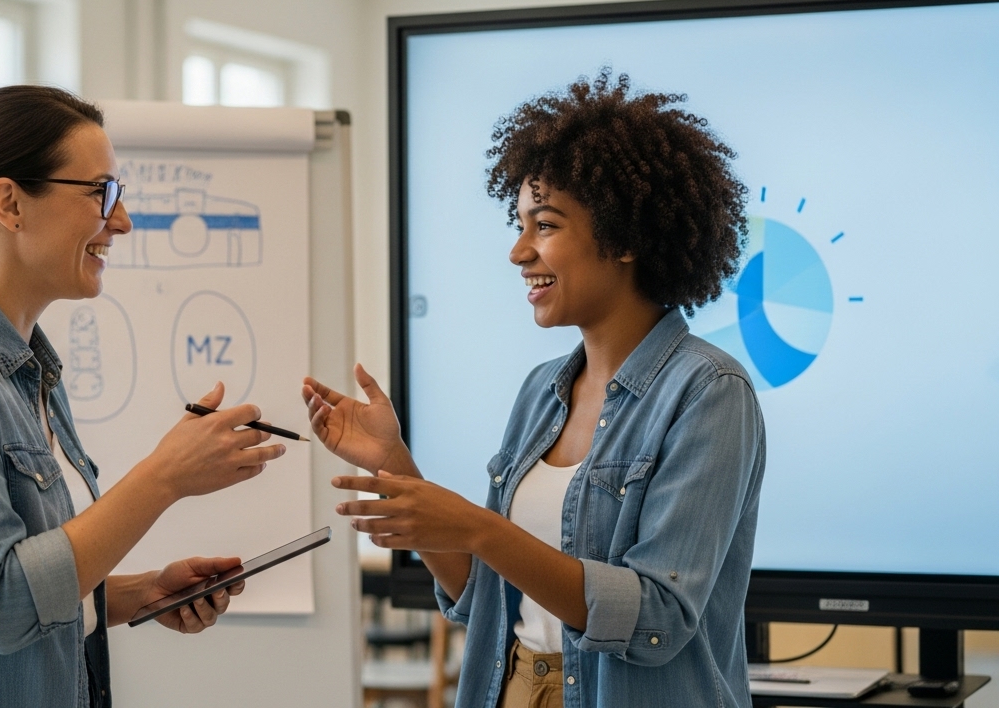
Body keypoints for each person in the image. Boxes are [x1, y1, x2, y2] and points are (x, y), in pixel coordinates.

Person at [304, 70, 765, 708]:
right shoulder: (540, 391)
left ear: (626, 237)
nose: (519, 252)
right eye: (520, 224)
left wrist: (480, 528)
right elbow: (485, 599)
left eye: (544, 225)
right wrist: (396, 465)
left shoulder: (710, 393)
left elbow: (658, 617)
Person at [0, 85, 286, 708]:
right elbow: (0, 604)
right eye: (102, 193)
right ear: (10, 203)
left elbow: (24, 580)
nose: (121, 220)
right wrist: (165, 476)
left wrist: (144, 592)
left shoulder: (29, 369)